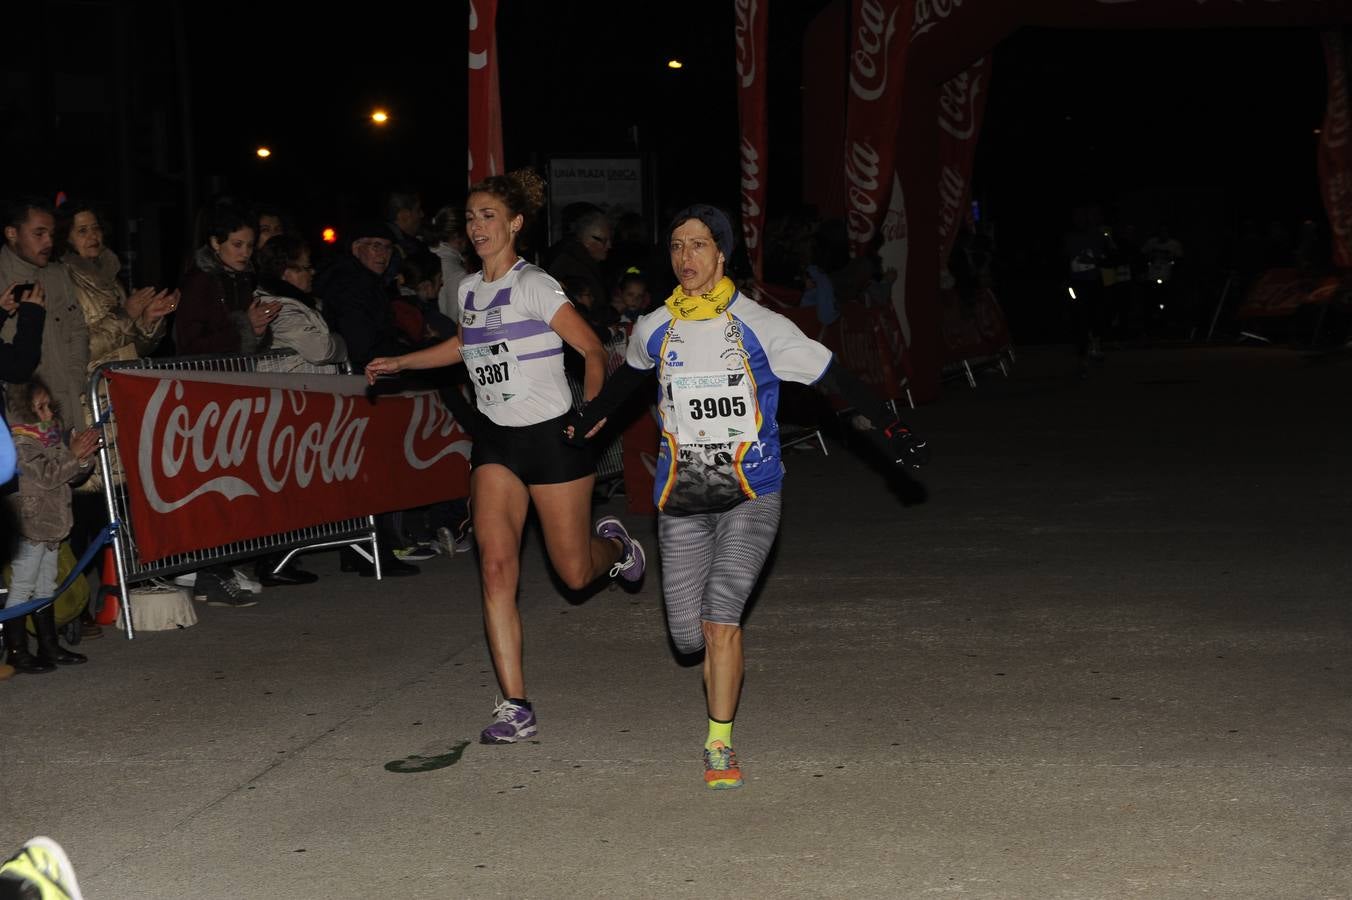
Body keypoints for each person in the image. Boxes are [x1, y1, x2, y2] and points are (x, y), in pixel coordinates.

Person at [567, 204, 927, 790]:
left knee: (719, 620)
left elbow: (835, 380)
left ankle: (719, 743)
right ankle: (620, 548)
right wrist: (584, 424)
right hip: (681, 498)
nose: (686, 258)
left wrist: (890, 428)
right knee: (687, 638)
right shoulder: (654, 325)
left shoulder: (761, 325)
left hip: (751, 493)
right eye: (678, 246)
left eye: (699, 245)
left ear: (722, 253)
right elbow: (629, 382)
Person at [365, 169, 645, 744]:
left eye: (488, 215)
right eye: (470, 218)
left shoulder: (535, 284)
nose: (477, 226)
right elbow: (463, 347)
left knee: (573, 572)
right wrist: (404, 363)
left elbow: (591, 348)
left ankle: (617, 548)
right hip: (496, 444)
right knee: (495, 567)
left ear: (515, 223)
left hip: (553, 439)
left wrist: (589, 416)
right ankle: (515, 705)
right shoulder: (468, 290)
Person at [3, 378, 101, 673]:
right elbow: (47, 476)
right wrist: (74, 455)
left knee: (46, 584)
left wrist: (83, 459)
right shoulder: (21, 443)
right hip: (32, 526)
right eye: (40, 408)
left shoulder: (52, 438)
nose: (47, 413)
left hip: (53, 523)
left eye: (49, 406)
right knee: (22, 586)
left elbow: (71, 476)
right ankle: (17, 650)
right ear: (25, 412)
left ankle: (49, 645)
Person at [58, 203, 174, 372]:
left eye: (96, 228)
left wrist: (148, 321)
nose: (93, 236)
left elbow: (131, 350)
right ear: (66, 237)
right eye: (82, 231)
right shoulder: (63, 281)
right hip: (88, 389)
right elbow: (74, 350)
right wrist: (125, 315)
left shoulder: (111, 277)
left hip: (122, 384)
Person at [175, 204, 276, 356]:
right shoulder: (199, 282)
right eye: (237, 245)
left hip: (236, 374)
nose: (245, 253)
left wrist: (258, 332)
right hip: (205, 376)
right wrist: (245, 327)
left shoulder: (244, 279)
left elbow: (247, 344)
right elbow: (190, 345)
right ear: (216, 243)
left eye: (250, 246)